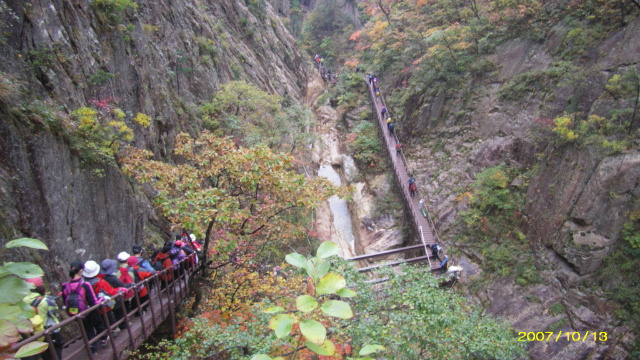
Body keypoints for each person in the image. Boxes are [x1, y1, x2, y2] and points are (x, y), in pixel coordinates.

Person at [62, 261, 105, 355]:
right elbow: (93, 302)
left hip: (77, 312)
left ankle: (93, 349)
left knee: (87, 329)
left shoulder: (65, 286)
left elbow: (65, 301)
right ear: (81, 271)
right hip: (89, 310)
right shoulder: (85, 285)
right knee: (98, 324)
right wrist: (102, 298)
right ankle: (103, 339)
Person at [23, 277, 64, 360]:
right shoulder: (45, 301)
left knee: (46, 357)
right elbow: (54, 310)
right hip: (50, 332)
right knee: (56, 354)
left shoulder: (22, 302)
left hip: (36, 335)